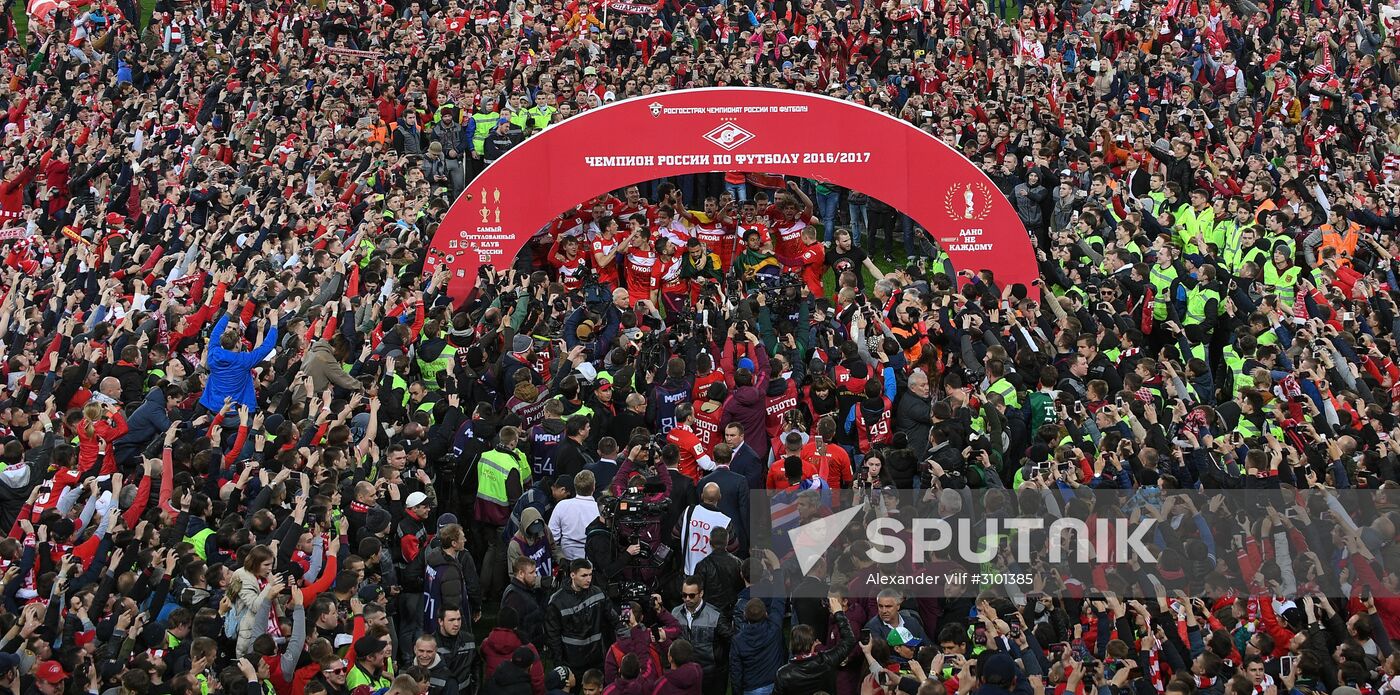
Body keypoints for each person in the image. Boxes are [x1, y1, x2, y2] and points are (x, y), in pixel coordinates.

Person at [545, 559, 616, 677]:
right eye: (584, 575)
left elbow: (611, 617)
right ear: (572, 575)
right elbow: (553, 636)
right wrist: (559, 664)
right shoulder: (557, 602)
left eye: (590, 574)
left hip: (596, 658)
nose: (588, 579)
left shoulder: (598, 593)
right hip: (572, 661)